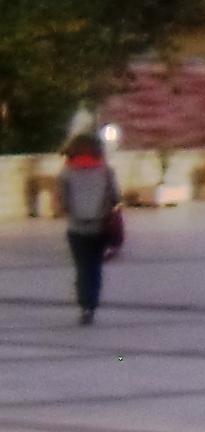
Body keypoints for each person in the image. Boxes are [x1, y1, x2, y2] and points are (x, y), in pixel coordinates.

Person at [56, 134, 118, 325]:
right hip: (100, 226)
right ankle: (92, 303)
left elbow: (62, 201)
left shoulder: (65, 172)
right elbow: (115, 197)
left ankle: (84, 306)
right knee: (95, 267)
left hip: (76, 228)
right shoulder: (106, 171)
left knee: (82, 267)